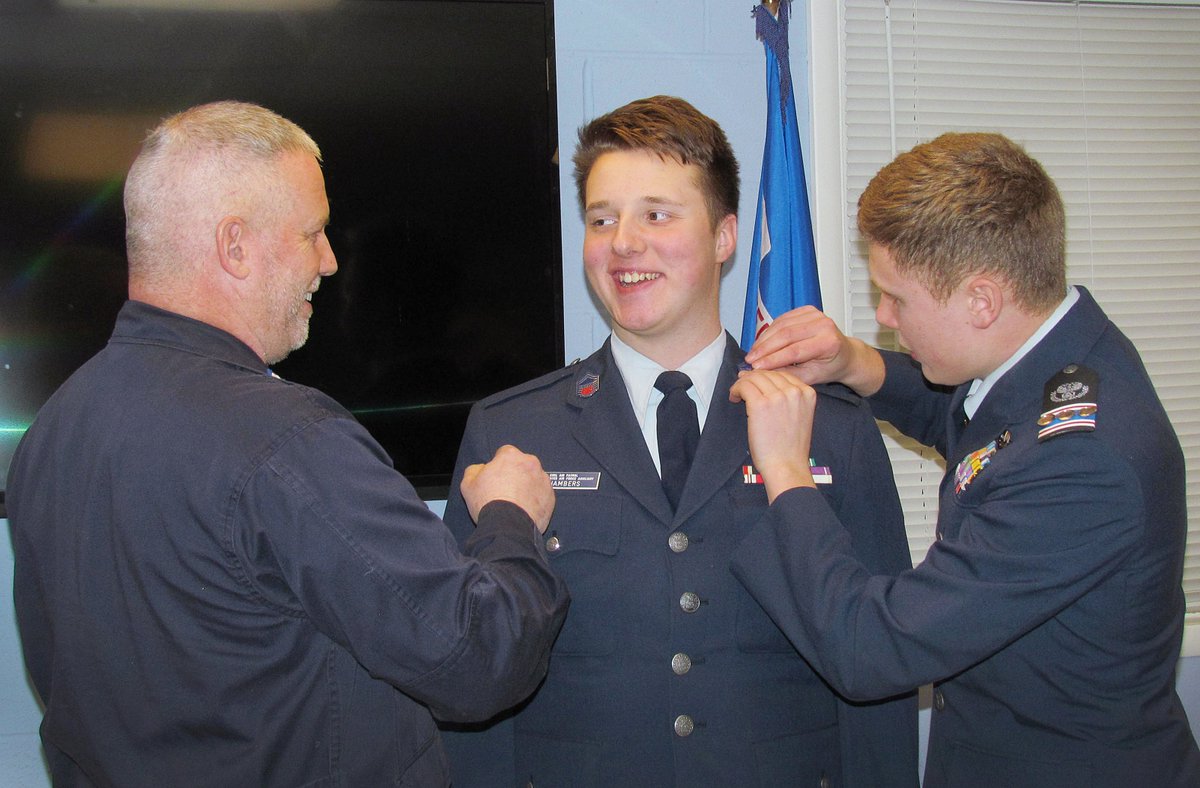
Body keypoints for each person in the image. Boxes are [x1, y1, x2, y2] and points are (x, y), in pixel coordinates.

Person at [5, 100, 569, 787]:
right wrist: (510, 521)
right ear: (235, 245)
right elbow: (476, 662)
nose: (329, 262)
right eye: (313, 233)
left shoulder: (53, 433)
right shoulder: (289, 442)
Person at [439, 95, 917, 786]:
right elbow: (473, 675)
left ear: (726, 238)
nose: (623, 241)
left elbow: (878, 674)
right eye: (602, 219)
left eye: (656, 214)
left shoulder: (829, 426)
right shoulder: (511, 432)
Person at [729, 131, 1200, 787]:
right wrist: (855, 363)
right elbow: (979, 429)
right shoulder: (1061, 357)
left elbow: (872, 646)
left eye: (896, 298)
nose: (884, 317)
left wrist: (786, 473)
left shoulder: (1086, 459)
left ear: (981, 299)